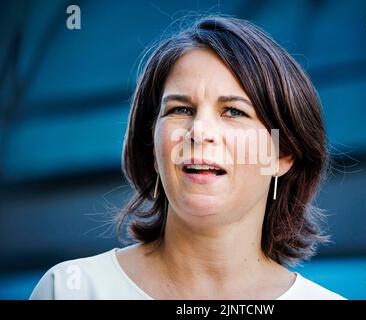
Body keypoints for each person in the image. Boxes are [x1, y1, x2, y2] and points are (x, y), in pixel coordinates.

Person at [30, 15, 345, 300]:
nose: (199, 131)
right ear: (153, 148)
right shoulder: (71, 289)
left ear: (283, 153)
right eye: (180, 109)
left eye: (234, 111)